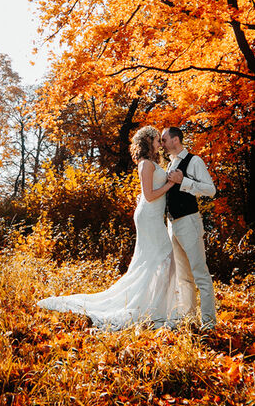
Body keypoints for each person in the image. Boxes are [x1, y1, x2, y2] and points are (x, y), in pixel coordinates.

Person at [36, 126, 189, 329]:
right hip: (149, 217)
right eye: (156, 140)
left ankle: (156, 307)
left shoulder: (152, 163)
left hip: (152, 215)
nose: (160, 143)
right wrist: (170, 183)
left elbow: (147, 193)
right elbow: (150, 195)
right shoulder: (145, 164)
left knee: (158, 260)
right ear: (148, 142)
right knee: (163, 258)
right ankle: (151, 308)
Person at [162, 126, 217, 329]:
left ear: (176, 139)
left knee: (200, 273)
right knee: (183, 277)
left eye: (164, 139)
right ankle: (190, 318)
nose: (162, 143)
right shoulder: (169, 164)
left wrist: (183, 181)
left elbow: (211, 190)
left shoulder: (194, 161)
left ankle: (209, 323)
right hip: (172, 224)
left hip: (189, 222)